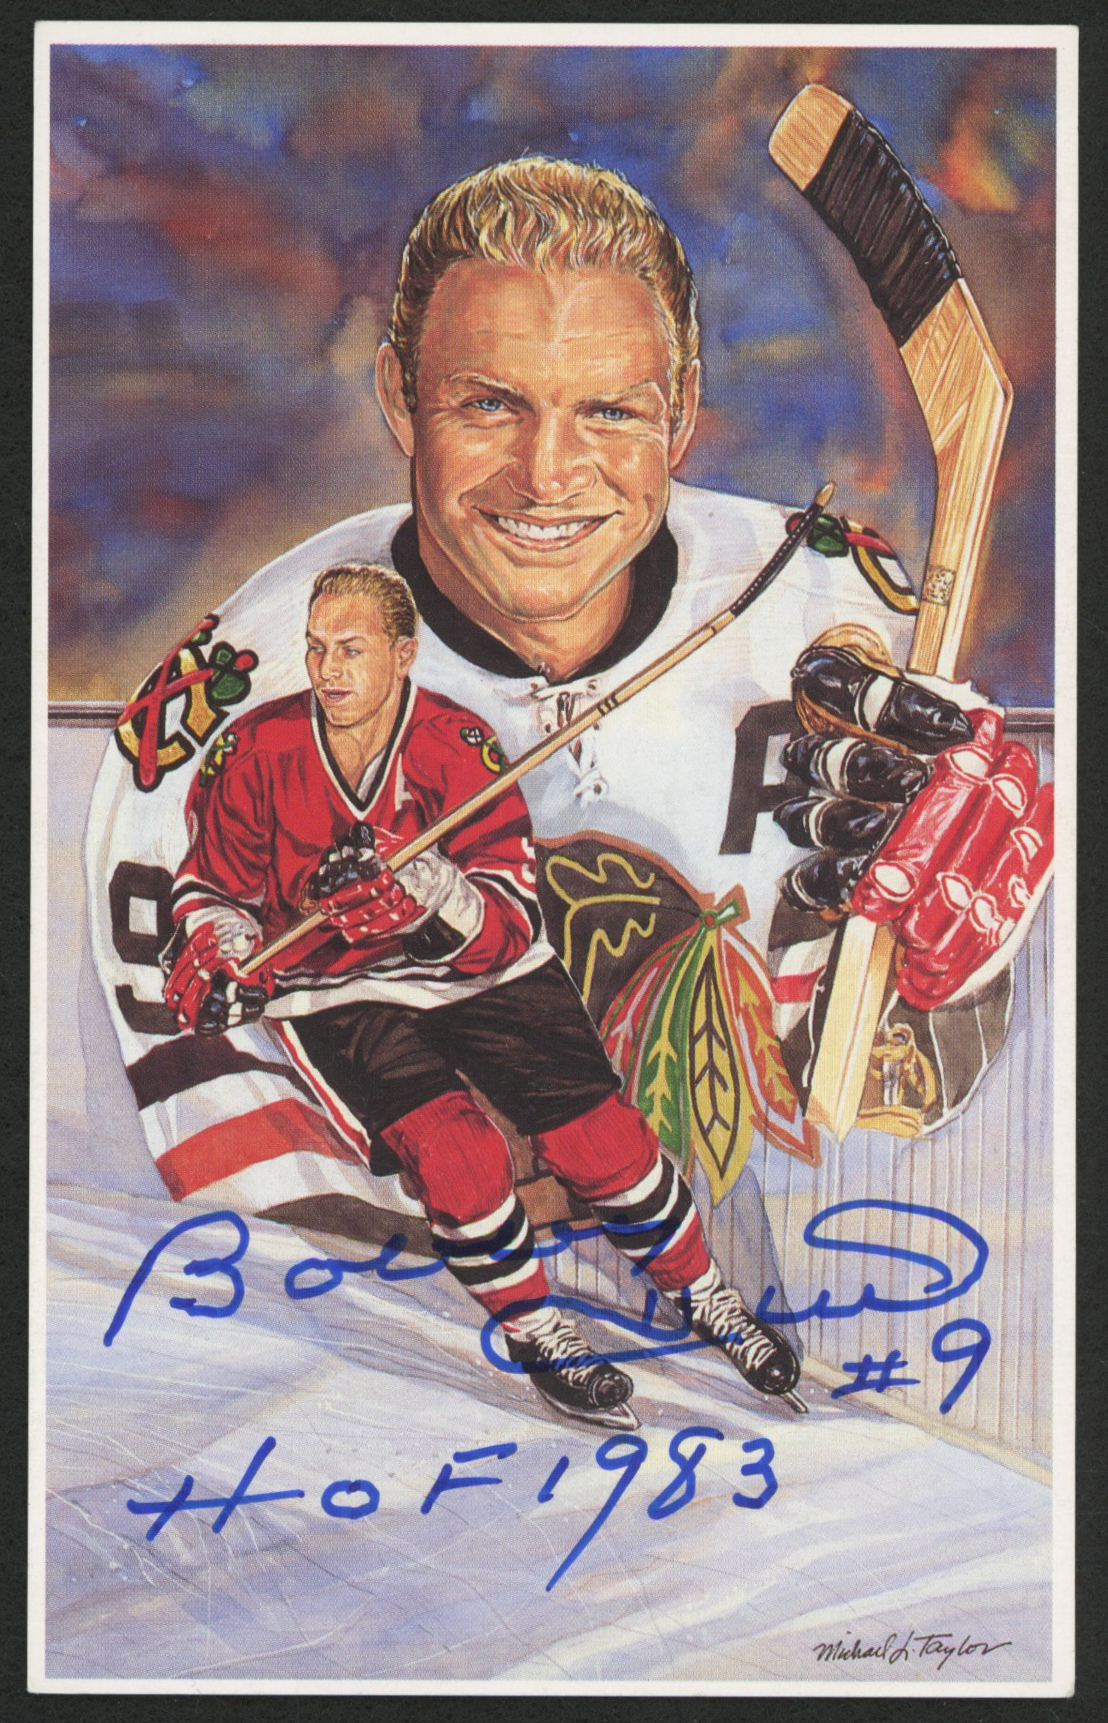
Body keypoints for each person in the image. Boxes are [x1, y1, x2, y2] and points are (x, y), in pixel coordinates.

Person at [90, 153, 1049, 1344]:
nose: (547, 474)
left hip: (819, 1304)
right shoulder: (219, 711)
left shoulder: (836, 612)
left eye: (610, 410)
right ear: (399, 396)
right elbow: (275, 1247)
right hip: (420, 1358)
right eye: (489, 404)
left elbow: (890, 1108)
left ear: (682, 409)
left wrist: (950, 984)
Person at [162, 560, 805, 1428]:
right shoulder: (258, 750)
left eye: (351, 649)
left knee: (601, 1142)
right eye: (316, 649)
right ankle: (540, 1330)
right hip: (337, 986)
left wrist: (428, 890)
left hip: (482, 968)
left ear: (403, 653)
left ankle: (706, 1296)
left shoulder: (456, 743)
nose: (329, 670)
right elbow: (211, 885)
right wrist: (227, 951)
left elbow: (504, 917)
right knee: (456, 1155)